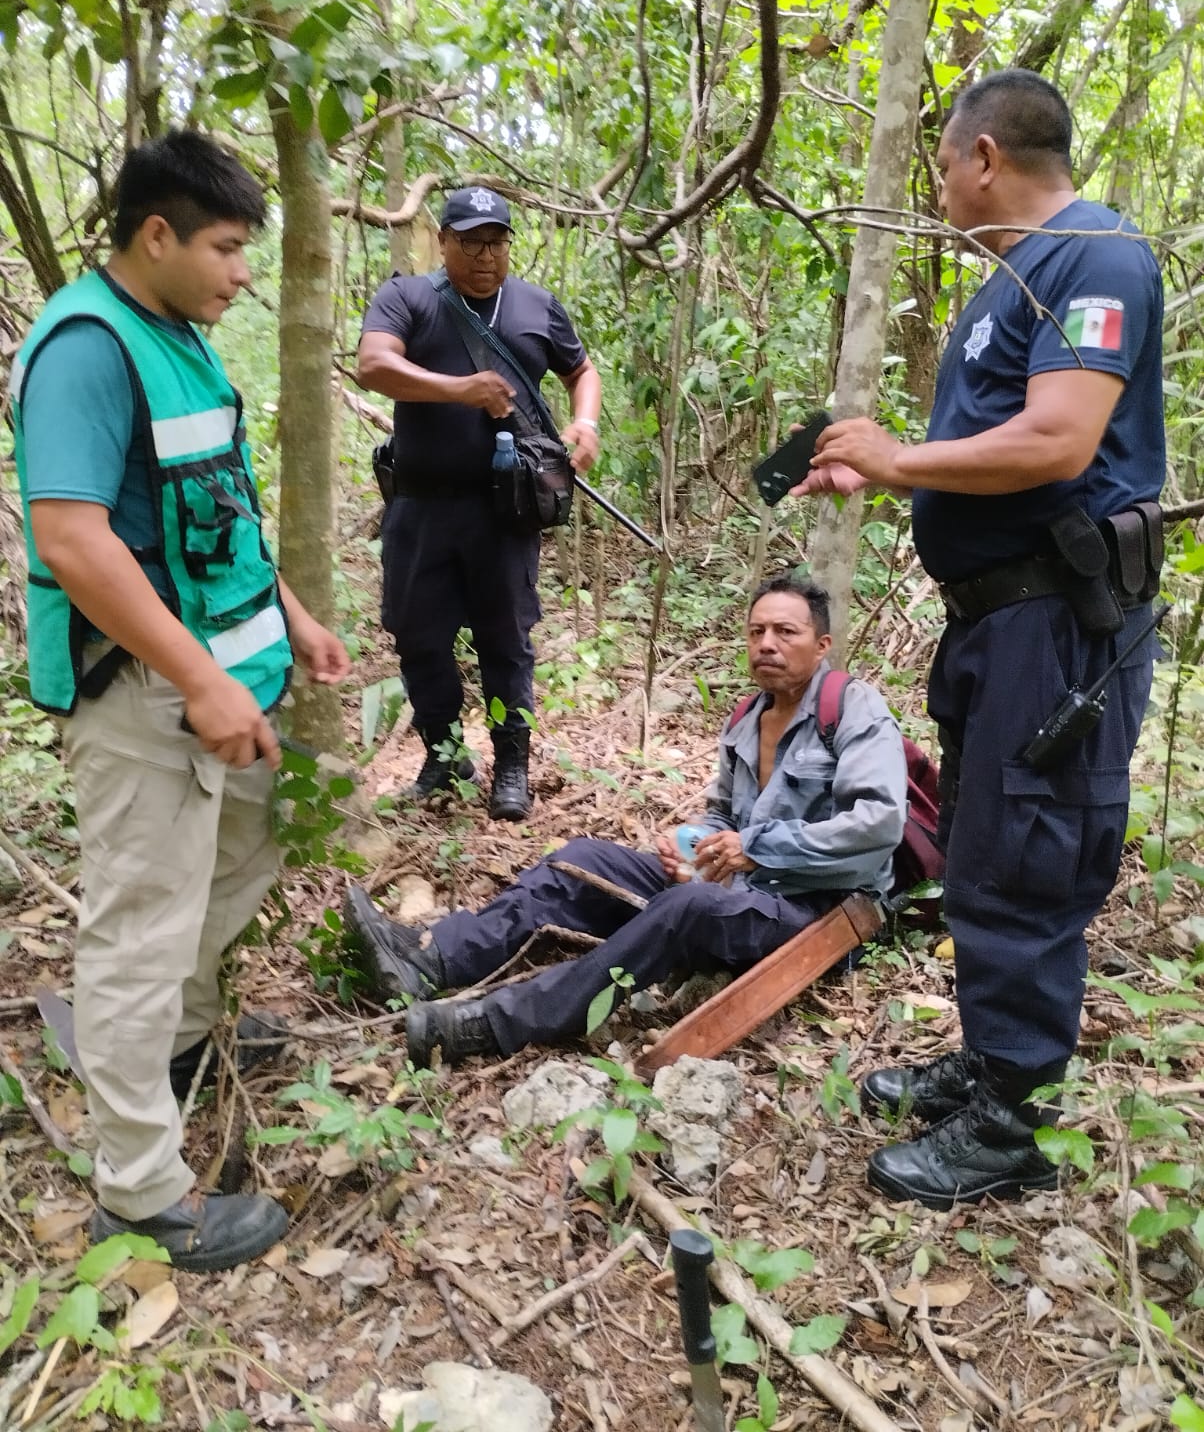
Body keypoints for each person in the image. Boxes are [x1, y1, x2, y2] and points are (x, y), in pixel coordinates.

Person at [795, 69, 1165, 1209]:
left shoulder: (1095, 258)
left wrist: (902, 460)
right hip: (993, 622)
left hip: (1058, 618)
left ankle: (1014, 1117)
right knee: (985, 841)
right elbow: (991, 448)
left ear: (985, 155)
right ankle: (989, 1056)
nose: (941, 183)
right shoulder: (1004, 285)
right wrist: (885, 468)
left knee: (1030, 848)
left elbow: (1058, 441)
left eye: (944, 160)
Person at [11, 132, 350, 1272]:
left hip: (229, 686)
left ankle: (180, 1042)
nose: (241, 271)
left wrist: (290, 614)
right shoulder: (86, 349)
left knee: (235, 864)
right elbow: (71, 536)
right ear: (154, 234)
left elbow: (217, 508)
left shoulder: (181, 342)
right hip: (148, 699)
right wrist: (200, 679)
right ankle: (141, 1191)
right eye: (224, 247)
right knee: (141, 926)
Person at [342, 575, 908, 1065]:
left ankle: (494, 1023)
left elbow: (879, 825)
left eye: (786, 632)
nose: (767, 644)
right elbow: (720, 815)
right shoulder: (747, 716)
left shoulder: (853, 710)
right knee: (580, 859)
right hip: (742, 890)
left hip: (818, 912)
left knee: (688, 908)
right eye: (757, 631)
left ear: (822, 644)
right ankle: (431, 954)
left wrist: (757, 847)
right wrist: (692, 848)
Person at [357, 187, 603, 821]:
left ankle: (512, 764)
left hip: (506, 508)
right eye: (469, 241)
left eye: (496, 241)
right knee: (418, 635)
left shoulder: (535, 306)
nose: (484, 255)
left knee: (506, 638)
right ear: (442, 242)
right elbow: (374, 366)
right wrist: (457, 390)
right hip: (420, 505)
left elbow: (582, 371)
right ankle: (443, 754)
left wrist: (586, 423)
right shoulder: (408, 298)